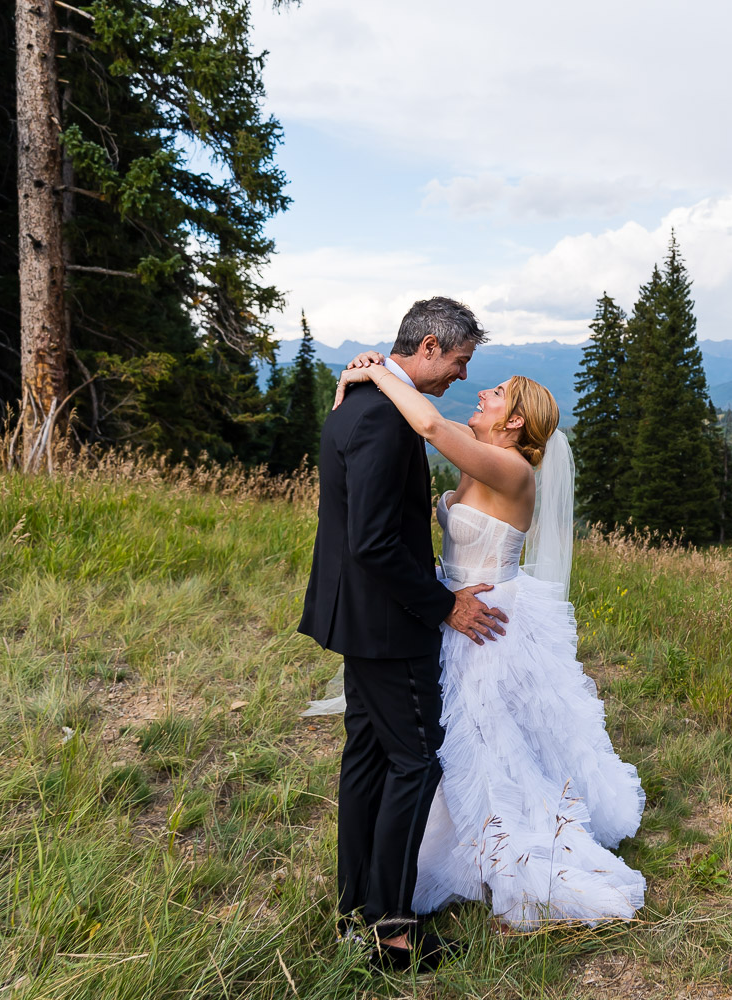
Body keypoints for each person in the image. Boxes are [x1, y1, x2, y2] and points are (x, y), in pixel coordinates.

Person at [333, 351, 647, 931]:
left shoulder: (513, 471)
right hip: (452, 609)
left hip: (485, 623)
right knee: (447, 738)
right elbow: (424, 423)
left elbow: (426, 424)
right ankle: (419, 851)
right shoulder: (479, 457)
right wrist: (360, 378)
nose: (481, 392)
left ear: (515, 422)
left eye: (496, 393)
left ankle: (504, 849)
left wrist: (379, 374)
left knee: (481, 741)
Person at [298, 298, 509, 972]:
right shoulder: (387, 420)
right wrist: (444, 605)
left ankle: (353, 903)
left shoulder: (354, 401)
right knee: (416, 760)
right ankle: (394, 930)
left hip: (353, 617)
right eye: (457, 361)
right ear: (427, 347)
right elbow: (378, 543)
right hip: (392, 625)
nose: (458, 376)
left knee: (367, 754)